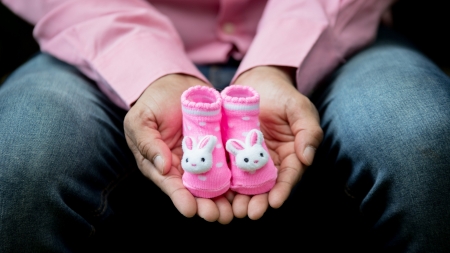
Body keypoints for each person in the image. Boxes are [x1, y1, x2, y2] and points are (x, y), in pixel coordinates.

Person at [0, 0, 449, 252]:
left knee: (424, 137)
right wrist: (151, 69)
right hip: (102, 39)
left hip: (327, 34)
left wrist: (276, 61)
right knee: (16, 156)